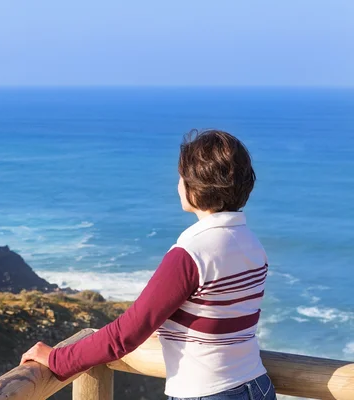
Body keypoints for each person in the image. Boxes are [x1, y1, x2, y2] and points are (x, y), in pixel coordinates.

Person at [20, 130, 277, 400]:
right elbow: (217, 315)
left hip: (208, 393)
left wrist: (58, 359)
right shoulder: (252, 244)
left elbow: (125, 335)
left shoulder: (192, 252)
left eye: (181, 176)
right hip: (257, 387)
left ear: (196, 184)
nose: (178, 184)